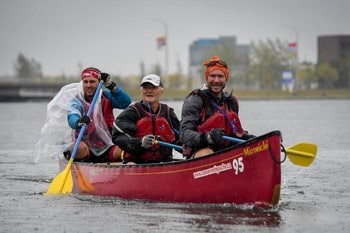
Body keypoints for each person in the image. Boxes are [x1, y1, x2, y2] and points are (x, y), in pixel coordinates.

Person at [180, 56, 255, 159]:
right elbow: (184, 135)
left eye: (220, 76)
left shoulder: (231, 101)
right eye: (212, 76)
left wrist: (251, 139)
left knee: (252, 148)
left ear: (226, 79)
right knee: (207, 153)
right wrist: (207, 137)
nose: (216, 80)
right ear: (207, 78)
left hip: (226, 150)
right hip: (202, 150)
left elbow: (235, 132)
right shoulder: (194, 100)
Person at [67, 67, 132, 163]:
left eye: (92, 82)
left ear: (99, 83)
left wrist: (111, 86)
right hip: (86, 148)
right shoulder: (77, 101)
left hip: (108, 145)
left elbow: (126, 102)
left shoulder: (107, 96)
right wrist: (78, 121)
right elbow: (72, 115)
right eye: (85, 82)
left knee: (126, 149)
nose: (88, 85)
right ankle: (83, 169)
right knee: (78, 148)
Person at [112, 74, 180, 164]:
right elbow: (118, 137)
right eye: (145, 88)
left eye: (153, 88)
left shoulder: (168, 113)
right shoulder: (132, 112)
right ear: (141, 91)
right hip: (135, 162)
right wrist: (140, 142)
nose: (149, 91)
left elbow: (180, 138)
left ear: (161, 91)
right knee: (131, 165)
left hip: (164, 162)